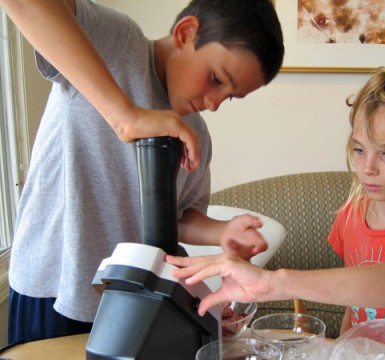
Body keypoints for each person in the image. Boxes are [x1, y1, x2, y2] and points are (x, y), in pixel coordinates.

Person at [2, 0, 284, 344]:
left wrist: (222, 232)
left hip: (133, 302)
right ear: (186, 32)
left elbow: (178, 217)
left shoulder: (194, 135)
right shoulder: (115, 39)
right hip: (54, 284)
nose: (214, 103)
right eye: (216, 79)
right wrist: (126, 115)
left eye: (230, 96)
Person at [168, 68, 385, 359]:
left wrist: (272, 282)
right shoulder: (351, 216)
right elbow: (354, 305)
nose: (367, 168)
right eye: (359, 149)